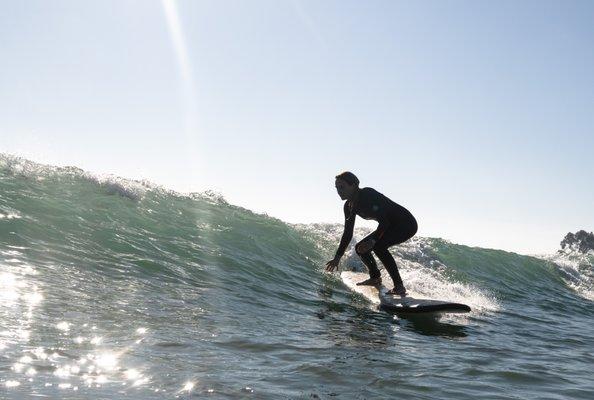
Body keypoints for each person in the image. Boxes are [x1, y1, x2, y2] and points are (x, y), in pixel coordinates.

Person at [325, 171, 418, 297]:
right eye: (337, 188)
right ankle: (375, 278)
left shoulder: (367, 194)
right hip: (390, 225)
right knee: (360, 248)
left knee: (379, 247)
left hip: (406, 224)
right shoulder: (348, 206)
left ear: (354, 185)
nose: (339, 191)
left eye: (342, 187)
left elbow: (384, 221)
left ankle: (399, 287)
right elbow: (348, 233)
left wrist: (373, 241)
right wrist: (337, 258)